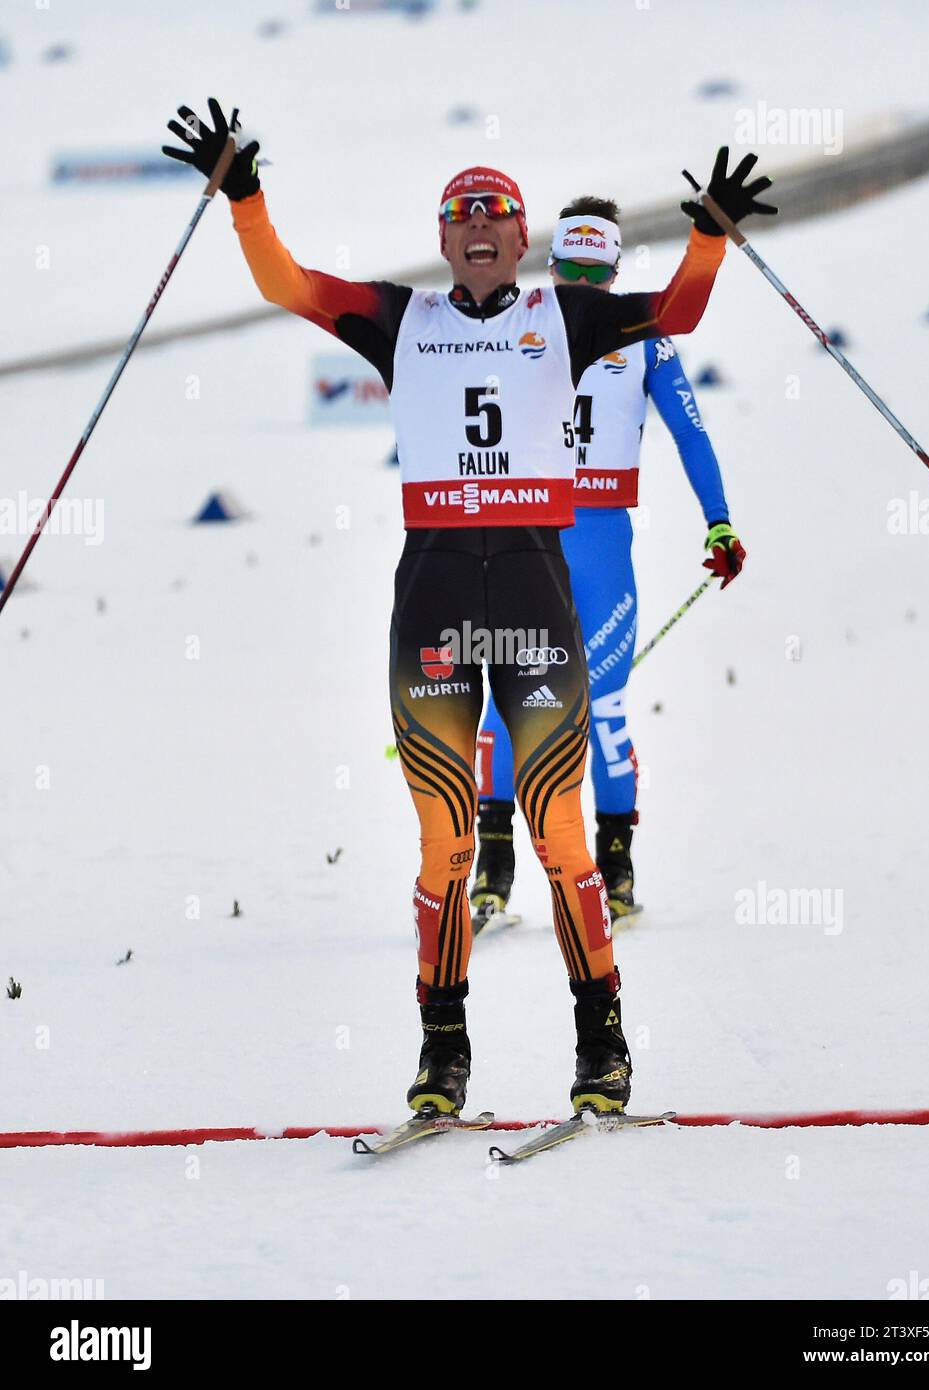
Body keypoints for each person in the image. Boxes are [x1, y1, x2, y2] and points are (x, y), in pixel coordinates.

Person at [163, 103, 775, 1116]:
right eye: (461, 214)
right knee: (444, 847)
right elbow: (286, 284)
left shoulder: (562, 318)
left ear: (520, 233)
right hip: (436, 603)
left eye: (496, 212)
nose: (480, 226)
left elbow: (674, 315)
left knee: (559, 838)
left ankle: (601, 1045)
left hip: (537, 598)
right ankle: (442, 1054)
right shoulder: (400, 320)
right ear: (443, 238)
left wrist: (709, 236)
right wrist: (245, 197)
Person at [471, 196, 745, 929]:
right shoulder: (534, 322)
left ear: (611, 269)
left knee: (588, 709)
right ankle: (498, 868)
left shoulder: (625, 332)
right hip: (534, 542)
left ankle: (611, 868)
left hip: (572, 547)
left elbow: (690, 433)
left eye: (595, 275)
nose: (584, 288)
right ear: (555, 265)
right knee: (515, 704)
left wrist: (719, 522)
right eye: (575, 274)